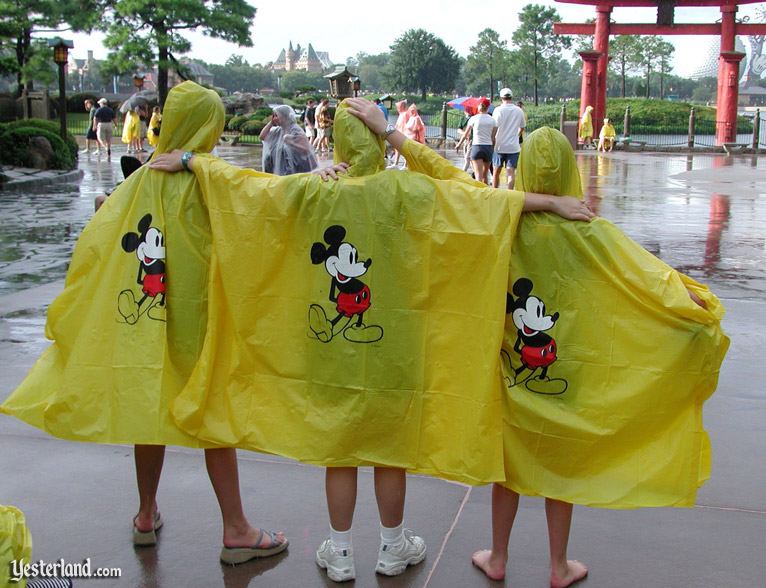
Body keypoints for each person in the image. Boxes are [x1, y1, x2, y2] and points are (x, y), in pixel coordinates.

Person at [148, 93, 593, 584]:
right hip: (393, 346)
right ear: (376, 135)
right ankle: (392, 545)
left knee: (340, 448)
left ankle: (339, 553)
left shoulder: (313, 189)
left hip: (329, 354)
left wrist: (191, 159)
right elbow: (475, 194)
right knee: (388, 447)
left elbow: (248, 191)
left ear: (337, 139)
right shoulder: (404, 189)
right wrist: (549, 200)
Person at [0, 81, 289, 566]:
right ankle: (236, 529)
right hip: (198, 323)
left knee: (147, 407)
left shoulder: (139, 180)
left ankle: (145, 513)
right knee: (212, 410)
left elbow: (97, 243)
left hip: (148, 324)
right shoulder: (207, 177)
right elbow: (265, 200)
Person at [471, 126, 723, 586]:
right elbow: (642, 273)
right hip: (570, 367)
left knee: (506, 465)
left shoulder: (501, 226)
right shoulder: (589, 228)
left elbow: (462, 204)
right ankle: (557, 565)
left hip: (510, 372)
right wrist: (688, 297)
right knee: (560, 468)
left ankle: (499, 557)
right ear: (570, 170)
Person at [259, 104, 318, 175]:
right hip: (278, 170)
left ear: (285, 116)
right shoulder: (277, 131)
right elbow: (262, 136)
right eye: (273, 116)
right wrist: (271, 122)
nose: (274, 118)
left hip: (294, 170)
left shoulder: (295, 130)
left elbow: (306, 150)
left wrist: (291, 142)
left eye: (276, 116)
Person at [454, 97, 496, 185]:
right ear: (488, 107)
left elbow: (465, 134)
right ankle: (485, 194)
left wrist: (459, 144)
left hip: (476, 147)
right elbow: (493, 137)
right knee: (485, 174)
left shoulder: (473, 119)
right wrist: (492, 149)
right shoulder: (493, 120)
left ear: (478, 107)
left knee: (478, 176)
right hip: (488, 147)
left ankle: (478, 194)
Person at [491, 88, 525, 189]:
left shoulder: (498, 110)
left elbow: (495, 127)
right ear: (511, 97)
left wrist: (492, 141)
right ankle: (509, 193)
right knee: (511, 172)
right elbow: (522, 126)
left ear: (501, 98)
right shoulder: (518, 110)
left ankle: (495, 192)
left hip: (499, 145)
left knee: (496, 171)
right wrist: (517, 135)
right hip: (513, 146)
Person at [391, 99, 408, 167]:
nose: (397, 109)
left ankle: (405, 165)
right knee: (397, 148)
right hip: (399, 133)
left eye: (398, 107)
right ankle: (396, 163)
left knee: (405, 150)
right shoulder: (401, 114)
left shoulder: (405, 114)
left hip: (404, 134)